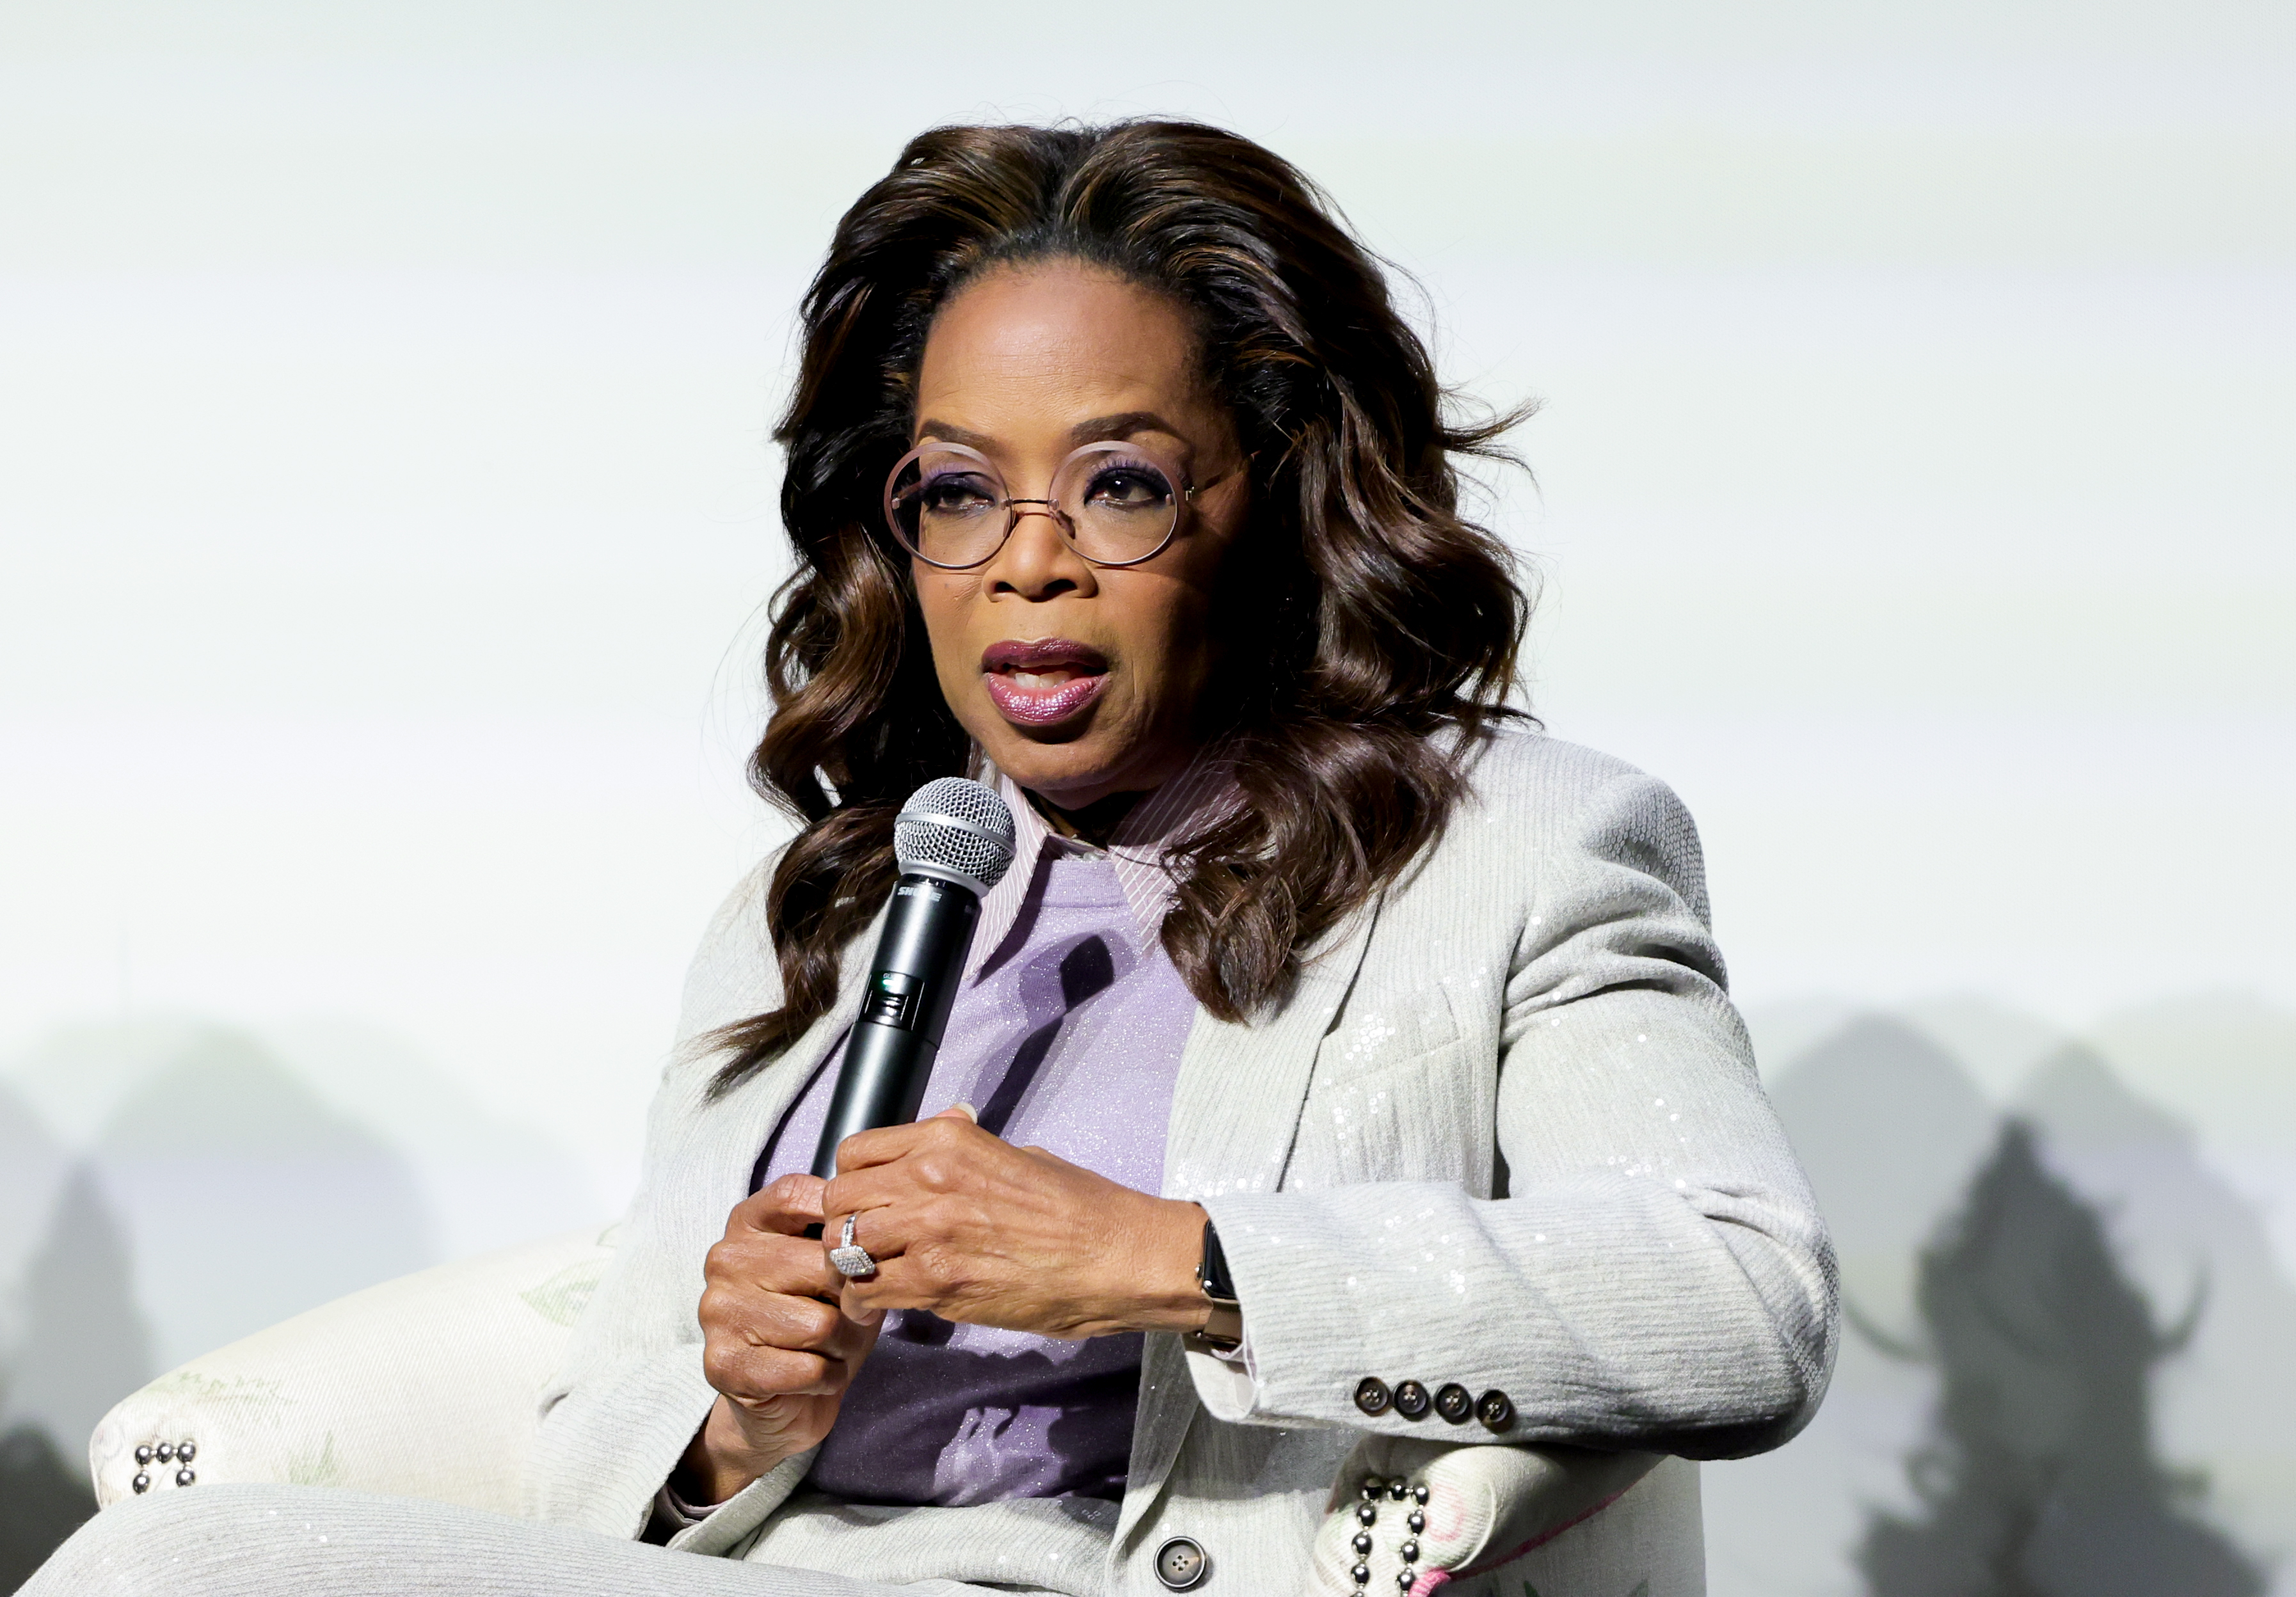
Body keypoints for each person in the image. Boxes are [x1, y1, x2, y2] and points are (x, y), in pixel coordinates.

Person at [26, 119, 1835, 1597]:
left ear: (1272, 500)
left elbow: (1738, 1300)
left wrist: (1168, 1258)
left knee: (179, 1572)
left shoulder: (1502, 848)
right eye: (959, 490)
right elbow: (609, 1440)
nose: (1026, 562)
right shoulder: (819, 904)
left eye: (1119, 482)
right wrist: (733, 1420)